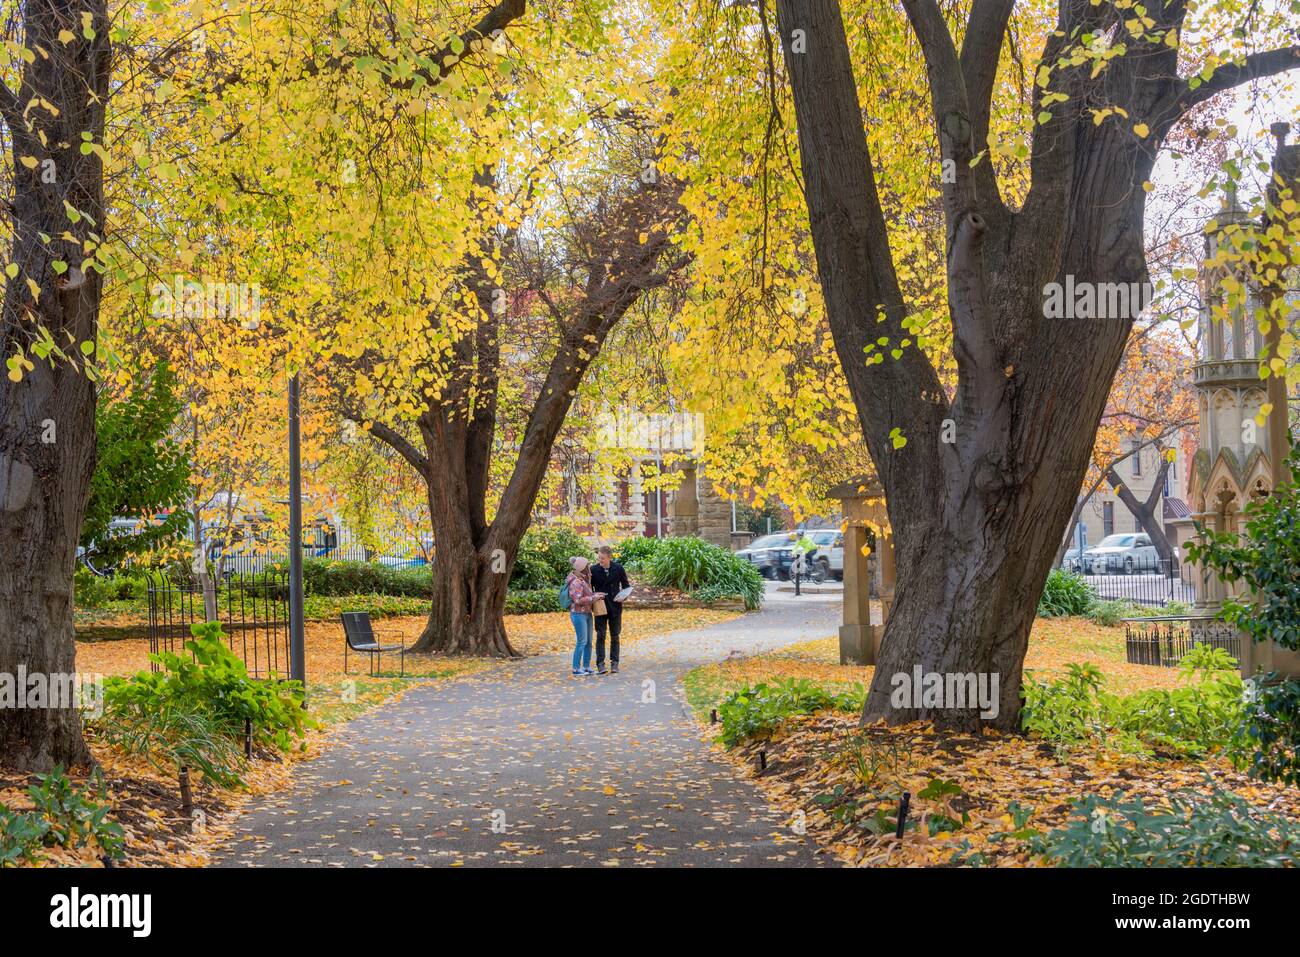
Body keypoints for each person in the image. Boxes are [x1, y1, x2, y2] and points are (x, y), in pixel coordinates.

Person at [591, 545, 631, 674]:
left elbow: (626, 587)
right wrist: (594, 596)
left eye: (602, 558)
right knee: (601, 636)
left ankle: (615, 663)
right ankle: (600, 664)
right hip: (600, 607)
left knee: (615, 636)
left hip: (615, 607)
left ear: (609, 557)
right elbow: (588, 589)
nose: (600, 561)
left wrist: (623, 597)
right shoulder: (593, 570)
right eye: (599, 558)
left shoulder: (618, 569)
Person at [565, 556, 604, 677]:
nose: (590, 569)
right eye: (588, 567)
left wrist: (596, 594)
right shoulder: (575, 581)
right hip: (578, 614)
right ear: (583, 568)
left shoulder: (583, 579)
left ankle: (586, 667)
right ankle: (576, 668)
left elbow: (587, 594)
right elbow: (577, 600)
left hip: (587, 613)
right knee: (582, 641)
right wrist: (594, 598)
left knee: (588, 642)